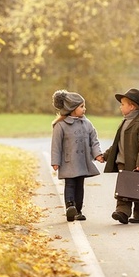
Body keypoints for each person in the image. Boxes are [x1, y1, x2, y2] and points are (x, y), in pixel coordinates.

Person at [100, 88, 139, 224]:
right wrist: (105, 156)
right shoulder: (124, 122)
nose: (120, 106)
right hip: (123, 162)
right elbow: (117, 143)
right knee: (123, 189)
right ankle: (122, 212)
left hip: (137, 164)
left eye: (123, 104)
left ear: (132, 106)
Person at [50, 90, 104, 222]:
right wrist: (55, 161)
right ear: (72, 108)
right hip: (69, 161)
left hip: (82, 161)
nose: (84, 109)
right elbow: (56, 145)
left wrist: (97, 155)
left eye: (84, 106)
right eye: (81, 106)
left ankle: (78, 210)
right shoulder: (61, 126)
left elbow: (94, 140)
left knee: (80, 185)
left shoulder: (87, 124)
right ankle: (70, 206)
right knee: (70, 184)